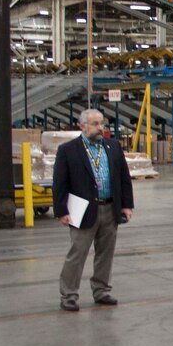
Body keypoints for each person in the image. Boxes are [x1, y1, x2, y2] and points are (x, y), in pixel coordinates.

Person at [53, 108, 134, 312]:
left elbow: (124, 178)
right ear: (82, 126)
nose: (100, 128)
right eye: (95, 124)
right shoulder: (68, 150)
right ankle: (69, 295)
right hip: (82, 210)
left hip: (110, 208)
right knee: (77, 254)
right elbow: (60, 182)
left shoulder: (113, 147)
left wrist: (127, 205)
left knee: (106, 254)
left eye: (102, 123)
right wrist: (61, 210)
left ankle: (102, 291)